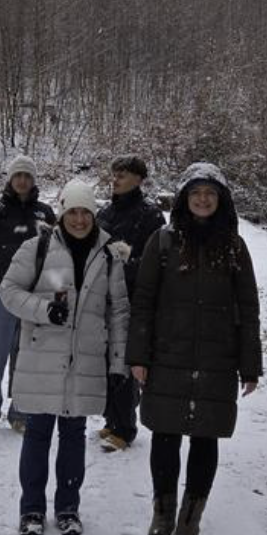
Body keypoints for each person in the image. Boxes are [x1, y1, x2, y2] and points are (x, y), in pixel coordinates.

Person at [127, 163, 262, 535]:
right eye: (196, 193)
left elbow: (248, 309)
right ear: (185, 199)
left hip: (217, 359)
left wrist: (250, 365)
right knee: (165, 434)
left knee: (206, 437)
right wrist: (139, 356)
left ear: (221, 200)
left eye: (210, 193)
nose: (203, 200)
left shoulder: (234, 247)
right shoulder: (162, 242)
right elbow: (144, 302)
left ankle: (190, 519)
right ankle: (163, 513)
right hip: (168, 354)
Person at [0, 179, 129, 535]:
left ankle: (68, 508)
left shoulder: (109, 256)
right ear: (61, 213)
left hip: (85, 360)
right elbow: (8, 291)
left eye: (86, 212)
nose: (79, 219)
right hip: (42, 358)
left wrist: (118, 362)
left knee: (73, 437)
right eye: (72, 211)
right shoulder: (37, 247)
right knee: (38, 434)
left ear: (94, 215)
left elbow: (119, 311)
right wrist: (43, 310)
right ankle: (32, 510)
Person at [0, 157, 56, 434]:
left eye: (27, 176)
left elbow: (55, 256)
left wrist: (56, 294)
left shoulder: (44, 213)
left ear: (33, 180)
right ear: (10, 178)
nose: (22, 181)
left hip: (34, 295)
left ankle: (22, 409)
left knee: (28, 356)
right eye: (18, 175)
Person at [96, 154, 165, 451]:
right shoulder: (105, 212)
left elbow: (156, 261)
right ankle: (111, 419)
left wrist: (123, 265)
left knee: (124, 363)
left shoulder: (151, 215)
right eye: (114, 174)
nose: (116, 179)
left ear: (138, 179)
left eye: (122, 175)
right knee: (104, 361)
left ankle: (125, 428)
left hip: (133, 299)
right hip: (102, 298)